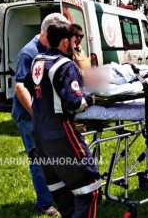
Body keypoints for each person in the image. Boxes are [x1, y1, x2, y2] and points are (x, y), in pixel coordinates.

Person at [26, 21, 100, 218]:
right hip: (60, 132)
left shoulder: (37, 60)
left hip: (40, 134)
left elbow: (31, 86)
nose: (76, 45)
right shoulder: (65, 65)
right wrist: (91, 99)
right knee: (90, 188)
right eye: (75, 41)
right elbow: (76, 103)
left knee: (61, 188)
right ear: (65, 42)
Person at [11, 13, 70, 216]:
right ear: (48, 31)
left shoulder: (52, 49)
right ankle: (44, 202)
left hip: (48, 116)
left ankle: (57, 193)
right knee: (39, 159)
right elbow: (19, 87)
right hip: (30, 118)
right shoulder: (28, 53)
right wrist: (36, 115)